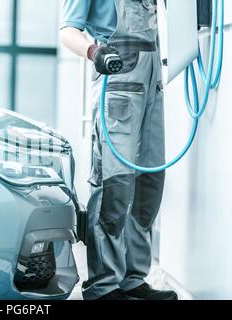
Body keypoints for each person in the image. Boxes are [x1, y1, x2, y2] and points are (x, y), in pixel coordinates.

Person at [60, 0, 178, 300]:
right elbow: (68, 30)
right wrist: (94, 51)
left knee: (149, 185)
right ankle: (103, 285)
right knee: (116, 185)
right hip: (117, 89)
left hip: (153, 86)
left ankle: (133, 279)